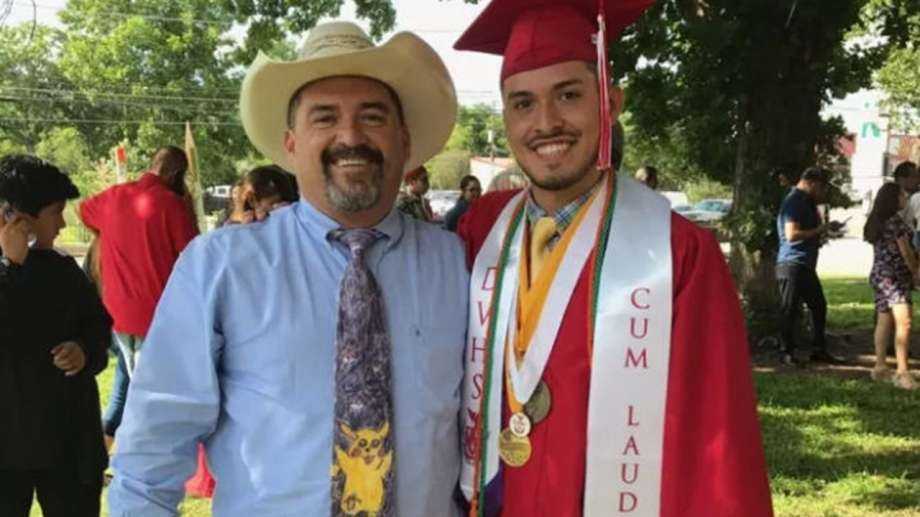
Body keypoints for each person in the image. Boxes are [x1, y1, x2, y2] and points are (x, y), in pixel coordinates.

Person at [108, 21, 467, 515]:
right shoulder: (223, 268)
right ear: (291, 144)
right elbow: (152, 448)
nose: (350, 136)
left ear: (403, 141)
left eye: (372, 117)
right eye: (324, 118)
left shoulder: (458, 265)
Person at [453, 1, 773, 516]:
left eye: (569, 95)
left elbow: (716, 442)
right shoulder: (481, 231)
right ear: (506, 117)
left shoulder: (678, 255)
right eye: (523, 103)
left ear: (611, 101)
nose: (546, 122)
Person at [0, 154, 112, 516]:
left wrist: (83, 350)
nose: (63, 223)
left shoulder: (64, 272)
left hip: (68, 447)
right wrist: (11, 269)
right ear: (15, 217)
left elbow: (98, 328)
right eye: (55, 212)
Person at [79, 146, 199, 376]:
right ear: (176, 175)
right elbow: (194, 257)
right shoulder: (173, 205)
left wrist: (111, 233)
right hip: (156, 314)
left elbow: (83, 211)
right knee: (150, 389)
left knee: (128, 379)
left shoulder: (114, 196)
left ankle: (116, 414)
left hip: (117, 311)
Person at [775, 167, 845, 366]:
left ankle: (818, 349)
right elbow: (791, 235)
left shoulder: (806, 202)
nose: (822, 193)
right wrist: (820, 229)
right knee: (789, 308)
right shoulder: (794, 201)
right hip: (791, 263)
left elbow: (807, 233)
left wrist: (824, 231)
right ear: (812, 183)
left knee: (818, 306)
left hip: (804, 263)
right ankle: (786, 351)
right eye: (822, 188)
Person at [864, 182, 918, 389]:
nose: (906, 198)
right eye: (903, 195)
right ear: (893, 199)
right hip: (895, 278)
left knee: (884, 321)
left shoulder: (877, 221)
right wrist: (915, 271)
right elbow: (905, 252)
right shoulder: (895, 222)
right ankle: (903, 373)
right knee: (904, 323)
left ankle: (880, 367)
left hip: (879, 276)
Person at [223, 165, 299, 225]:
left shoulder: (296, 218)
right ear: (251, 200)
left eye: (287, 203)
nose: (280, 208)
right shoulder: (238, 229)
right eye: (273, 204)